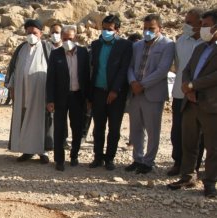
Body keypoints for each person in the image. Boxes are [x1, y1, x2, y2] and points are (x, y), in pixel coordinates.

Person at [168, 9, 217, 198]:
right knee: (189, 142)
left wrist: (192, 85)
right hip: (191, 102)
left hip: (211, 105)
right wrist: (187, 88)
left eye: (205, 26)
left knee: (213, 147)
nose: (201, 29)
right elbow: (186, 69)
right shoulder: (200, 47)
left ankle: (210, 182)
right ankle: (187, 176)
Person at [126, 14, 175, 174]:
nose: (147, 31)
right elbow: (130, 66)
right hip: (135, 93)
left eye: (151, 29)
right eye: (145, 28)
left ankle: (148, 161)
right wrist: (133, 82)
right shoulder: (137, 45)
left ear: (160, 28)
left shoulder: (168, 45)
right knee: (136, 129)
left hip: (152, 93)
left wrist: (143, 84)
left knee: (152, 129)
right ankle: (137, 159)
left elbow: (162, 70)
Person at [6, 19, 53, 164]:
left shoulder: (47, 48)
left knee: (41, 121)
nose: (31, 35)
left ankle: (42, 152)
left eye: (34, 33)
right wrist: (12, 89)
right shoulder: (21, 49)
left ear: (41, 33)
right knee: (24, 120)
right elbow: (13, 70)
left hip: (40, 94)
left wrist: (52, 96)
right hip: (22, 92)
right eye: (29, 33)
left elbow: (54, 72)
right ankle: (27, 150)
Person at [89, 15, 133, 171]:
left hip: (116, 94)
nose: (106, 32)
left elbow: (123, 69)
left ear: (117, 30)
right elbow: (92, 68)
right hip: (98, 92)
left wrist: (115, 90)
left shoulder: (125, 45)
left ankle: (110, 158)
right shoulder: (95, 44)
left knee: (114, 128)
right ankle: (98, 157)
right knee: (98, 127)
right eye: (104, 28)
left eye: (110, 29)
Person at [46, 25, 90, 171]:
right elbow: (50, 78)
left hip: (78, 96)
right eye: (64, 39)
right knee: (59, 129)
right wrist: (50, 100)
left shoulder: (83, 53)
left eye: (70, 39)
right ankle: (59, 160)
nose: (67, 42)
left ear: (75, 38)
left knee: (77, 127)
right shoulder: (56, 53)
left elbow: (87, 76)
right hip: (60, 97)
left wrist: (88, 98)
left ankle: (74, 155)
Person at [168, 8, 204, 176]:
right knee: (177, 131)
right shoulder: (182, 41)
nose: (186, 25)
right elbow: (177, 66)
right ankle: (178, 162)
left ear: (200, 23)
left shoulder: (207, 44)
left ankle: (192, 167)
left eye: (189, 22)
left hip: (199, 95)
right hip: (180, 93)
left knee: (197, 134)